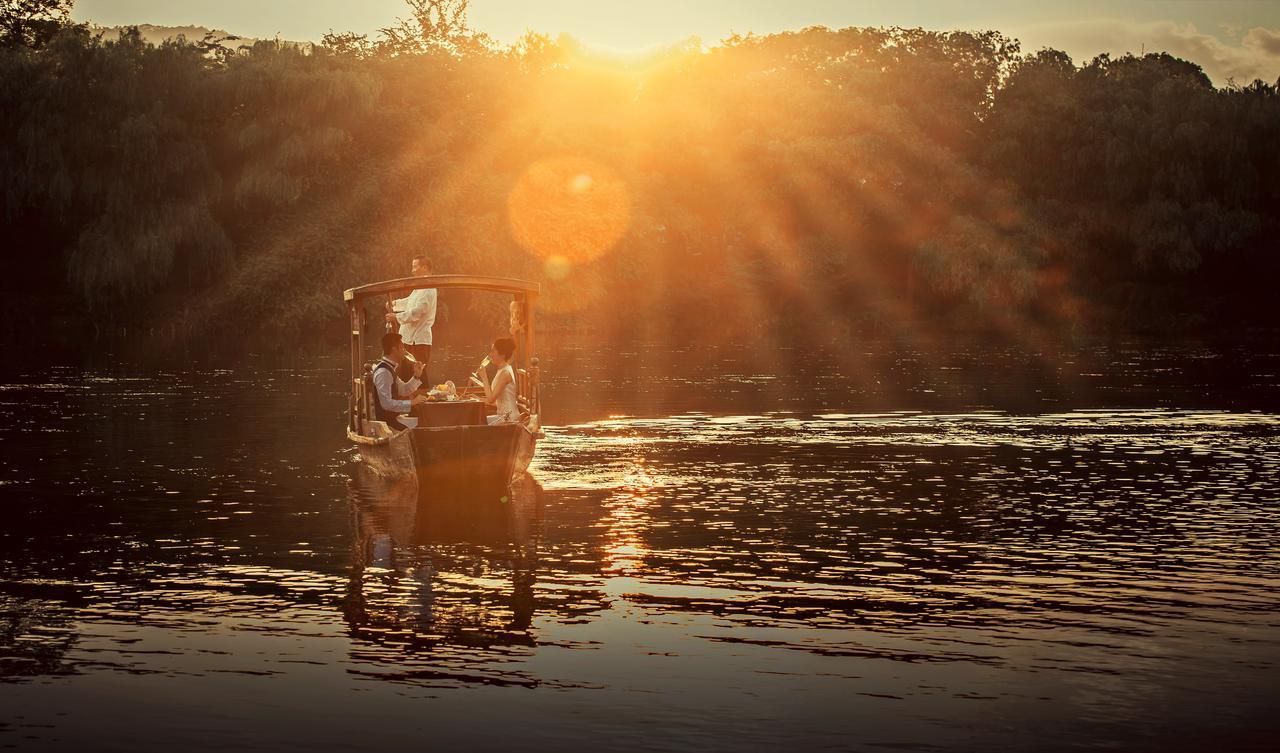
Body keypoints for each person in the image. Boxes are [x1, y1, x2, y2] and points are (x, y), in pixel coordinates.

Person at [386, 256, 436, 383]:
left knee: (419, 373)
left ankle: (424, 401)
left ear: (424, 268)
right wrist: (394, 304)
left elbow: (417, 312)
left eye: (415, 267)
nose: (412, 270)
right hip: (409, 338)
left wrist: (396, 317)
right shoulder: (420, 287)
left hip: (419, 340)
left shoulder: (429, 288)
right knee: (405, 372)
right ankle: (407, 401)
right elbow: (410, 302)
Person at [372, 332, 428, 431]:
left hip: (392, 418)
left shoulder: (390, 369)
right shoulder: (383, 372)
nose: (404, 352)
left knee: (424, 422)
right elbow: (386, 404)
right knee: (419, 430)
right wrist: (412, 402)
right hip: (386, 424)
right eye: (402, 348)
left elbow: (403, 390)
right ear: (394, 349)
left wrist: (416, 376)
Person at [473, 337, 520, 425]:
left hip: (509, 419)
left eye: (493, 351)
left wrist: (484, 377)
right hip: (503, 416)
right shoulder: (501, 370)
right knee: (477, 420)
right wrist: (477, 399)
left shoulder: (505, 373)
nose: (491, 355)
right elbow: (496, 401)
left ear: (502, 355)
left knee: (479, 424)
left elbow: (491, 399)